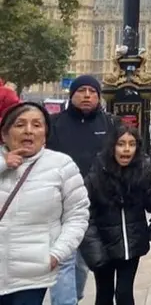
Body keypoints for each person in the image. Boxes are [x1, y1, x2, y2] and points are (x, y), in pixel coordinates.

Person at [0, 102, 90, 305]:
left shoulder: (61, 165)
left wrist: (57, 253)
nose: (28, 131)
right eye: (20, 125)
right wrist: (4, 164)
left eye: (37, 125)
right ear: (5, 133)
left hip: (31, 273)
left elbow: (77, 215)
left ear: (45, 135)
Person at [47, 75, 119, 305]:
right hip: (60, 205)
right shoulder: (53, 124)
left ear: (99, 96)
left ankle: (73, 297)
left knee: (81, 264)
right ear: (72, 94)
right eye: (81, 90)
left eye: (92, 91)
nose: (87, 95)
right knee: (64, 260)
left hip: (94, 207)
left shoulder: (110, 124)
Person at [78, 124, 151, 305]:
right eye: (121, 144)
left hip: (131, 244)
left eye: (132, 144)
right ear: (112, 146)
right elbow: (85, 214)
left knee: (124, 293)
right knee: (104, 294)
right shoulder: (96, 175)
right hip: (103, 246)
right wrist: (95, 250)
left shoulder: (142, 172)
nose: (126, 149)